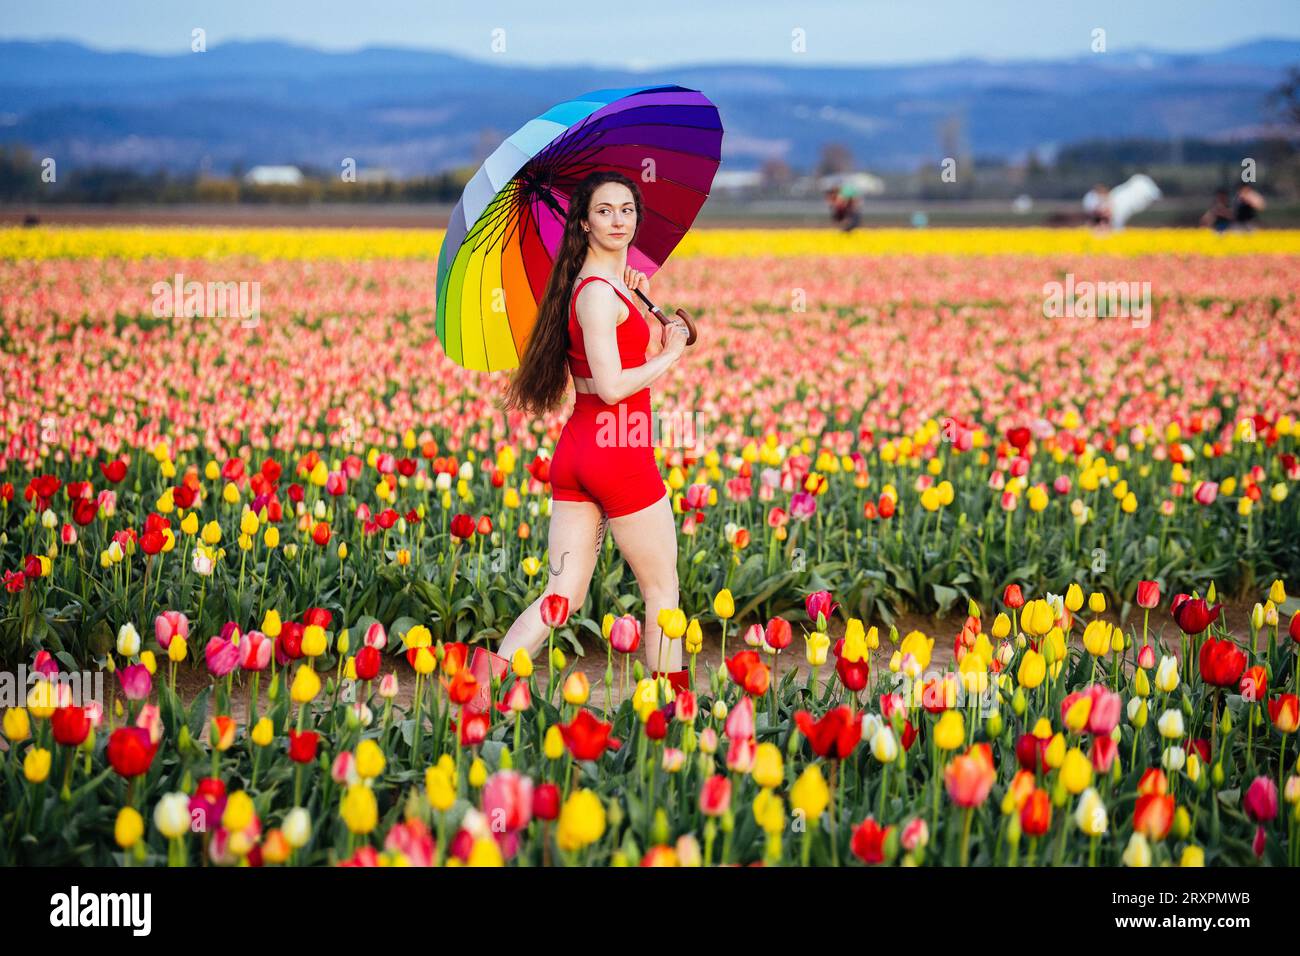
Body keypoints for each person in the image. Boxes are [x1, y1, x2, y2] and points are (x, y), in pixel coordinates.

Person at [470, 170, 694, 710]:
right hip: (619, 451)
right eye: (604, 211)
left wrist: (647, 312)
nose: (618, 220)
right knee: (662, 591)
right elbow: (614, 386)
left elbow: (614, 352)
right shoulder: (596, 295)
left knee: (560, 597)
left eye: (626, 210)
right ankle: (669, 720)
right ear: (584, 222)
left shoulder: (602, 287)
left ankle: (477, 698)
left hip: (578, 452)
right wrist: (671, 355)